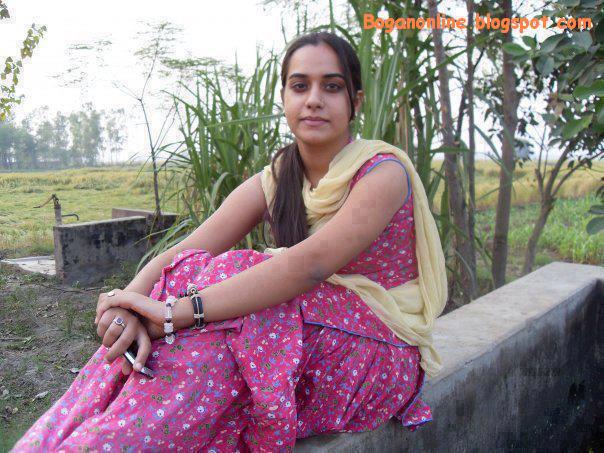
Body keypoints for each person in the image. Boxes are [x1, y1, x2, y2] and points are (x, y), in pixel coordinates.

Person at [12, 31, 447, 452]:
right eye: (300, 86)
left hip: (378, 357)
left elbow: (308, 265)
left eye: (331, 87)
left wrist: (173, 314)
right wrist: (127, 304)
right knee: (189, 271)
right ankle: (61, 439)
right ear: (284, 98)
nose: (314, 99)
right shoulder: (279, 178)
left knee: (242, 274)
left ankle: (115, 439)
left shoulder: (383, 173)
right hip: (305, 345)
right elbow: (186, 250)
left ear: (355, 102)